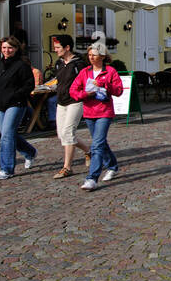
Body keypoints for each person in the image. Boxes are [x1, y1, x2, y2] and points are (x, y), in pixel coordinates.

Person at [69, 41, 124, 191]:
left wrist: (104, 86)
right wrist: (85, 94)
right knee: (100, 142)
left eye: (94, 55)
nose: (91, 57)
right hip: (89, 111)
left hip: (104, 111)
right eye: (90, 55)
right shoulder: (85, 72)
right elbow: (73, 90)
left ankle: (92, 178)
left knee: (97, 145)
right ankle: (112, 166)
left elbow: (119, 91)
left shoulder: (110, 71)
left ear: (102, 56)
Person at [0, 35, 37, 180]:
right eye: (4, 47)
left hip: (15, 104)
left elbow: (29, 85)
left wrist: (15, 95)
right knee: (7, 134)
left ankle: (7, 169)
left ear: (16, 49)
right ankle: (30, 152)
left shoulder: (22, 65)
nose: (7, 50)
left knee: (6, 136)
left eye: (10, 47)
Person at [49, 34, 91, 178]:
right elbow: (58, 80)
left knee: (68, 132)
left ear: (67, 48)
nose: (56, 50)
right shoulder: (58, 63)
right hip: (61, 101)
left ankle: (67, 167)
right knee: (62, 135)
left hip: (75, 101)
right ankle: (88, 151)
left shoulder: (79, 64)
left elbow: (86, 82)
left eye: (58, 48)